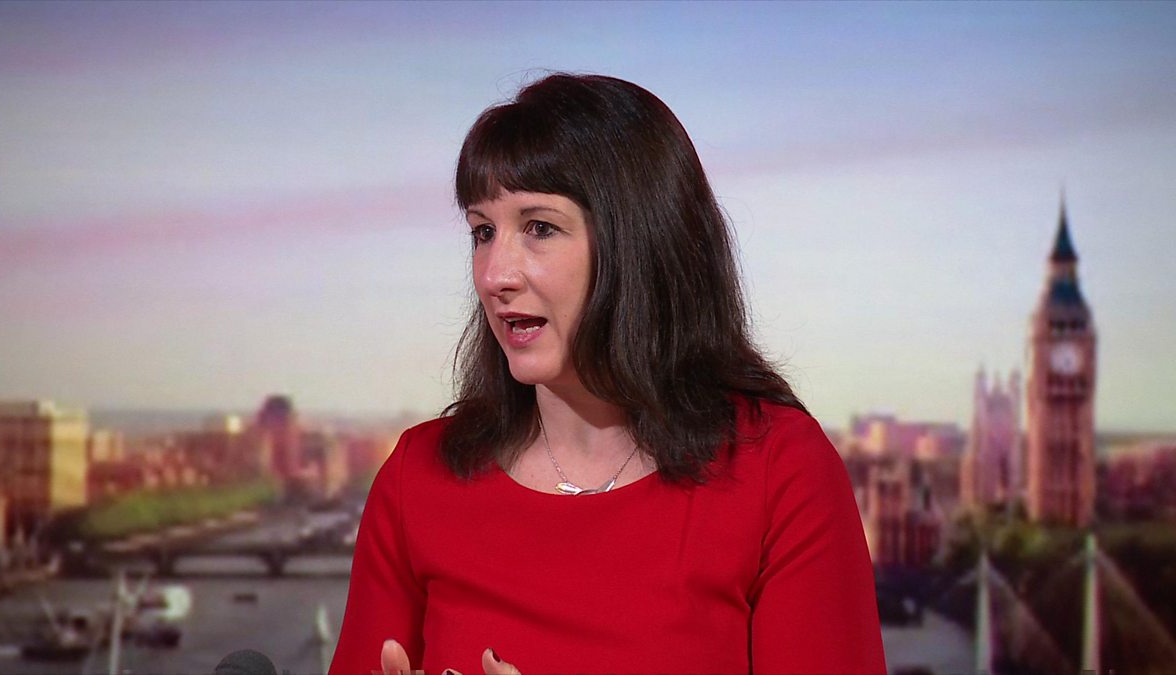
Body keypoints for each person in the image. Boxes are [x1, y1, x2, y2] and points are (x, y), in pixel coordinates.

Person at [330, 73, 886, 675]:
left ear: (640, 244)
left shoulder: (780, 471)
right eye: (483, 232)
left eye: (539, 228)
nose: (494, 275)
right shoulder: (418, 479)